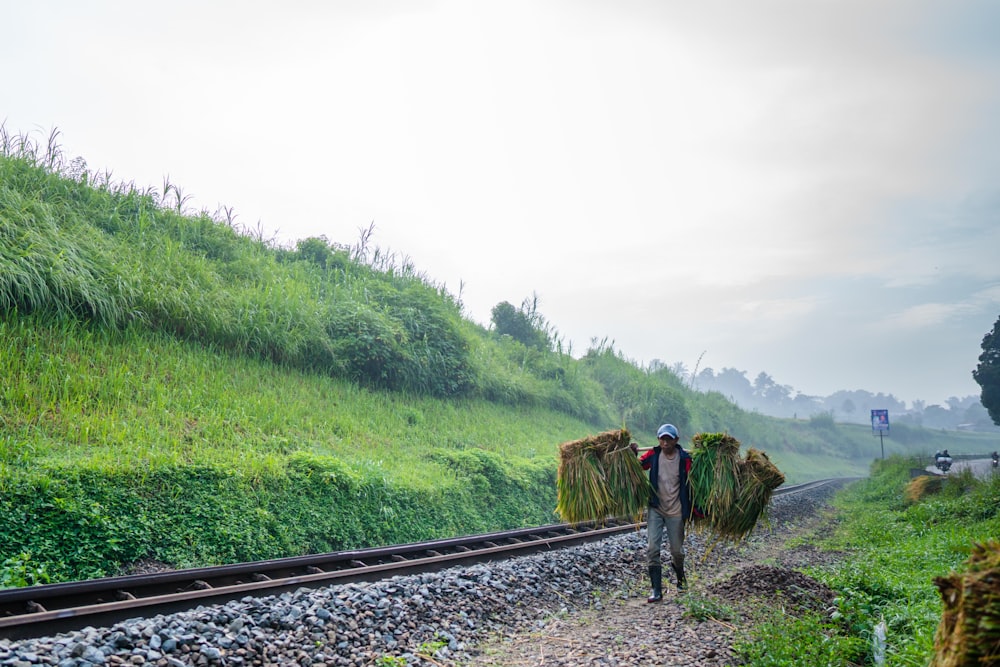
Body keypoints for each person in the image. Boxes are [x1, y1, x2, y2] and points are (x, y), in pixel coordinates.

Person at [636, 423, 693, 602]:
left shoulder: (684, 458)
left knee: (677, 551)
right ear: (658, 440)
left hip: (676, 510)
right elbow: (638, 466)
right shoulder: (653, 455)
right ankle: (656, 590)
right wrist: (632, 453)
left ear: (676, 440)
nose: (665, 442)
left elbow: (695, 476)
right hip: (656, 509)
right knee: (652, 548)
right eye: (662, 439)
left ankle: (681, 578)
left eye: (669, 439)